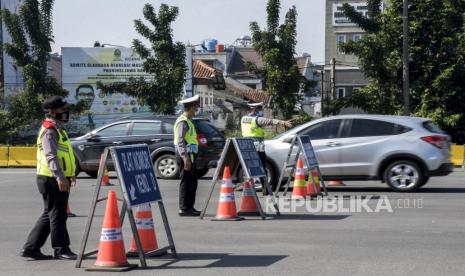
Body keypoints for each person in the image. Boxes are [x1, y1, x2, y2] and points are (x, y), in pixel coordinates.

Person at [21, 96, 78, 260]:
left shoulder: (58, 128)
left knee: (50, 213)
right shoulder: (50, 130)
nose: (66, 112)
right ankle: (61, 249)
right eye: (62, 110)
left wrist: (71, 173)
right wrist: (60, 177)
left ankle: (31, 248)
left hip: (54, 177)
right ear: (52, 112)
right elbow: (51, 156)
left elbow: (65, 153)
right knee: (58, 214)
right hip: (51, 178)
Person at [241, 102, 293, 195]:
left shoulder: (244, 119)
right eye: (260, 109)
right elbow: (269, 121)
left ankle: (250, 190)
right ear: (255, 109)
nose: (261, 111)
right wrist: (283, 122)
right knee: (262, 168)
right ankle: (265, 189)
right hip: (257, 147)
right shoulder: (257, 120)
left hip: (246, 147)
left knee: (249, 168)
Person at [174, 95, 201, 216]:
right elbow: (180, 141)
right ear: (190, 107)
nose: (197, 109)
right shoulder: (183, 122)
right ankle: (184, 208)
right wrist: (185, 159)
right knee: (186, 182)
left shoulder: (189, 121)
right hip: (185, 157)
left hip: (191, 156)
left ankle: (190, 207)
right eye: (195, 107)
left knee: (192, 183)